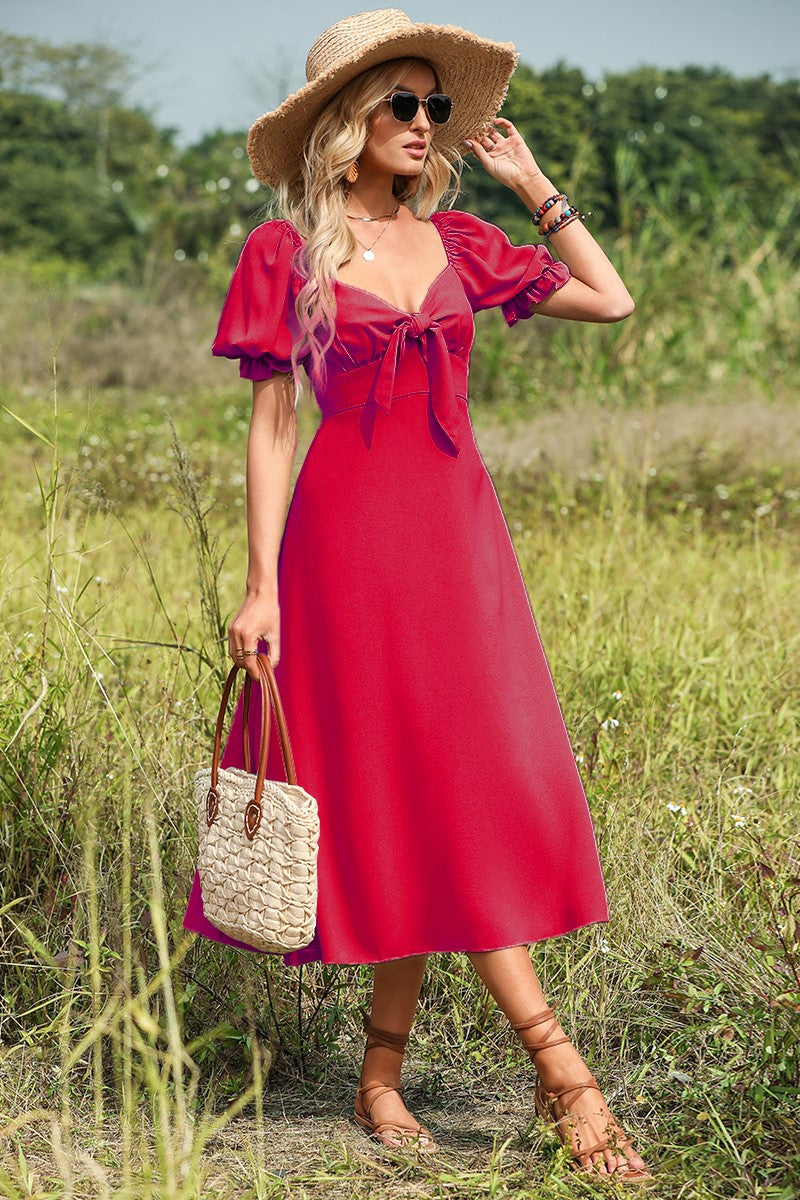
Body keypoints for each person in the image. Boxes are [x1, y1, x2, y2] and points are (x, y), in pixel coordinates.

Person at [183, 8, 651, 1183]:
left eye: (434, 106)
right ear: (345, 124)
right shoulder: (286, 252)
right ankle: (564, 1078)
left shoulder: (461, 240)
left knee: (459, 789)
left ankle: (380, 1073)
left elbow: (611, 301)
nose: (424, 123)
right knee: (411, 791)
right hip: (343, 556)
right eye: (402, 103)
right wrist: (256, 586)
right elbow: (273, 428)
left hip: (458, 549)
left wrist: (535, 183)